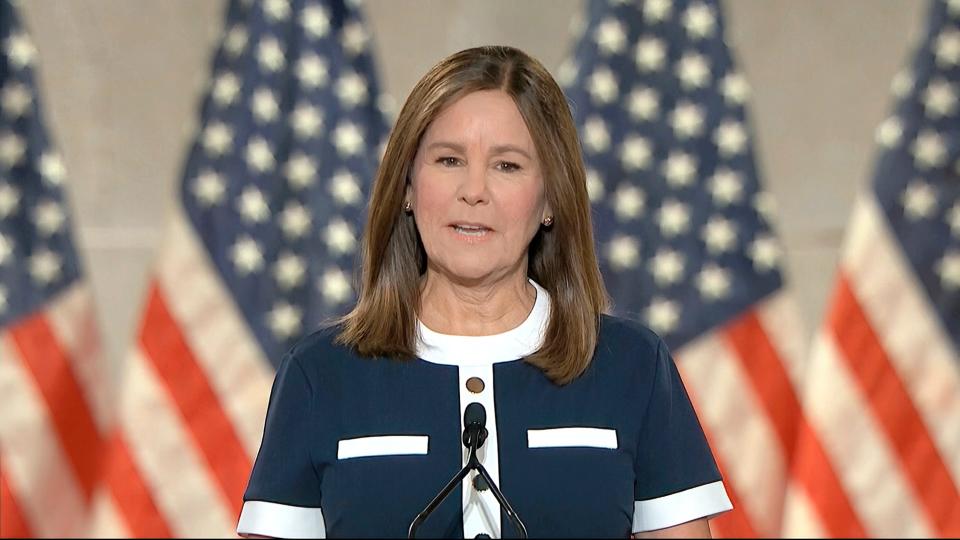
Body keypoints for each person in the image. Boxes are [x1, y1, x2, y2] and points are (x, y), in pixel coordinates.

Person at [236, 45, 732, 539]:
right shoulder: (320, 375)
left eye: (507, 166)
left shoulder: (633, 367)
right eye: (449, 160)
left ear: (550, 199)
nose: (474, 190)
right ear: (407, 188)